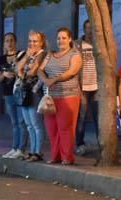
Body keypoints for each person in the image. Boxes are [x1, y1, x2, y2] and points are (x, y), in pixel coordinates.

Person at [38, 27, 83, 165]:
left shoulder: (75, 54)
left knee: (65, 128)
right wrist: (45, 80)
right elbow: (40, 69)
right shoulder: (50, 54)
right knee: (51, 128)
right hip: (51, 97)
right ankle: (55, 155)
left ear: (70, 39)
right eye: (58, 38)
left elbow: (71, 71)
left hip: (68, 96)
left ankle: (67, 157)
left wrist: (54, 80)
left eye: (64, 38)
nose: (61, 40)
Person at [16, 30, 48, 162]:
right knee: (29, 124)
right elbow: (17, 69)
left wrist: (23, 72)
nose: (32, 44)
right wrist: (26, 58)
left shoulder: (42, 54)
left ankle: (38, 151)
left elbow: (32, 72)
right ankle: (32, 150)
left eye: (35, 41)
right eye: (30, 41)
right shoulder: (27, 54)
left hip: (36, 91)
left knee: (36, 124)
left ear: (41, 42)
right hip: (25, 92)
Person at [0, 32, 27, 159]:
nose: (9, 43)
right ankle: (14, 148)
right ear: (4, 43)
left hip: (19, 92)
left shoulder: (21, 55)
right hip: (8, 93)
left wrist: (15, 72)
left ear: (15, 42)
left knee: (21, 121)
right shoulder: (2, 59)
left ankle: (21, 148)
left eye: (11, 40)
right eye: (7, 41)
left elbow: (25, 72)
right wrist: (4, 75)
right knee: (14, 122)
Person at [75, 20, 99, 155]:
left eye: (92, 28)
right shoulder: (77, 44)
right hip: (83, 86)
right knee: (82, 117)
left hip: (97, 86)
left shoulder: (99, 44)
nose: (90, 30)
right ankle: (79, 143)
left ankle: (101, 144)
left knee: (98, 117)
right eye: (88, 28)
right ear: (84, 29)